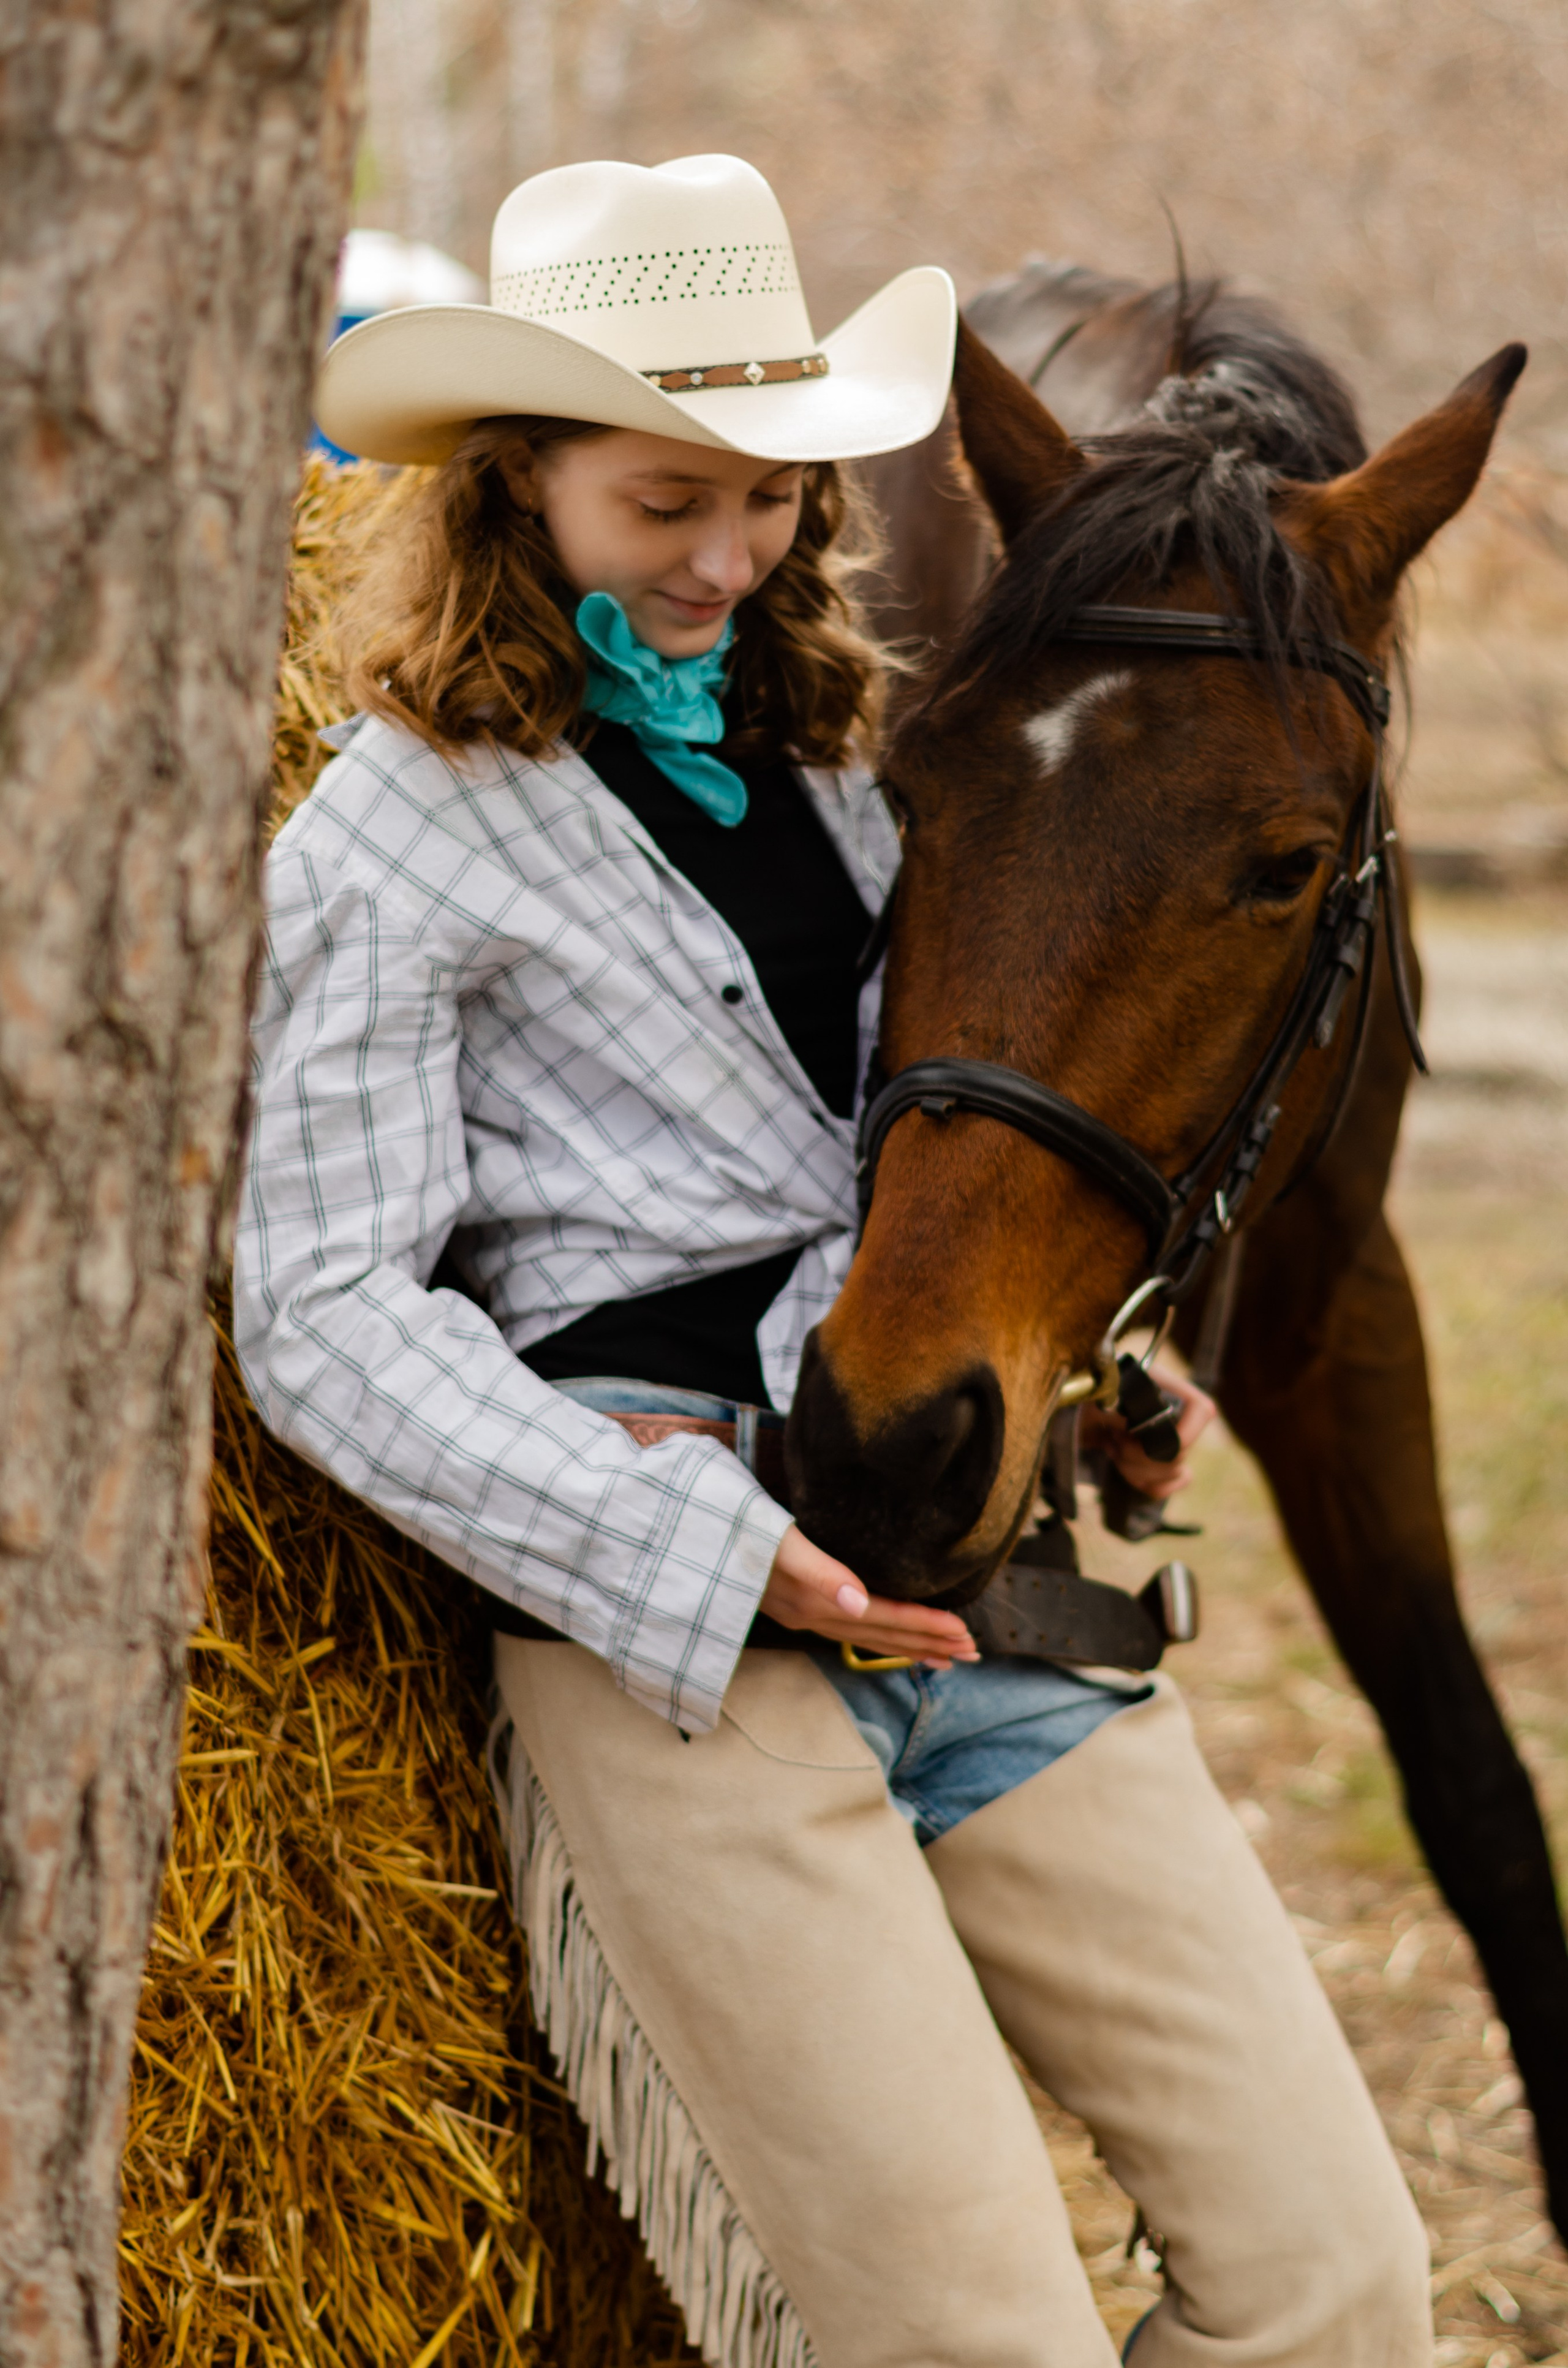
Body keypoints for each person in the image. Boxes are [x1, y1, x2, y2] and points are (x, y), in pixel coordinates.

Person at [235, 154, 1431, 2368]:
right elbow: (317, 1307)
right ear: (522, 485)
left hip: (972, 1584)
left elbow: (939, 1141)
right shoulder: (391, 833)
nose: (726, 557)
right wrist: (698, 1555)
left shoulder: (865, 759)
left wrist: (1088, 1354)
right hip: (675, 1625)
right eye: (663, 501)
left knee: (1341, 2288)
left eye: (771, 499)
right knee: (987, 2345)